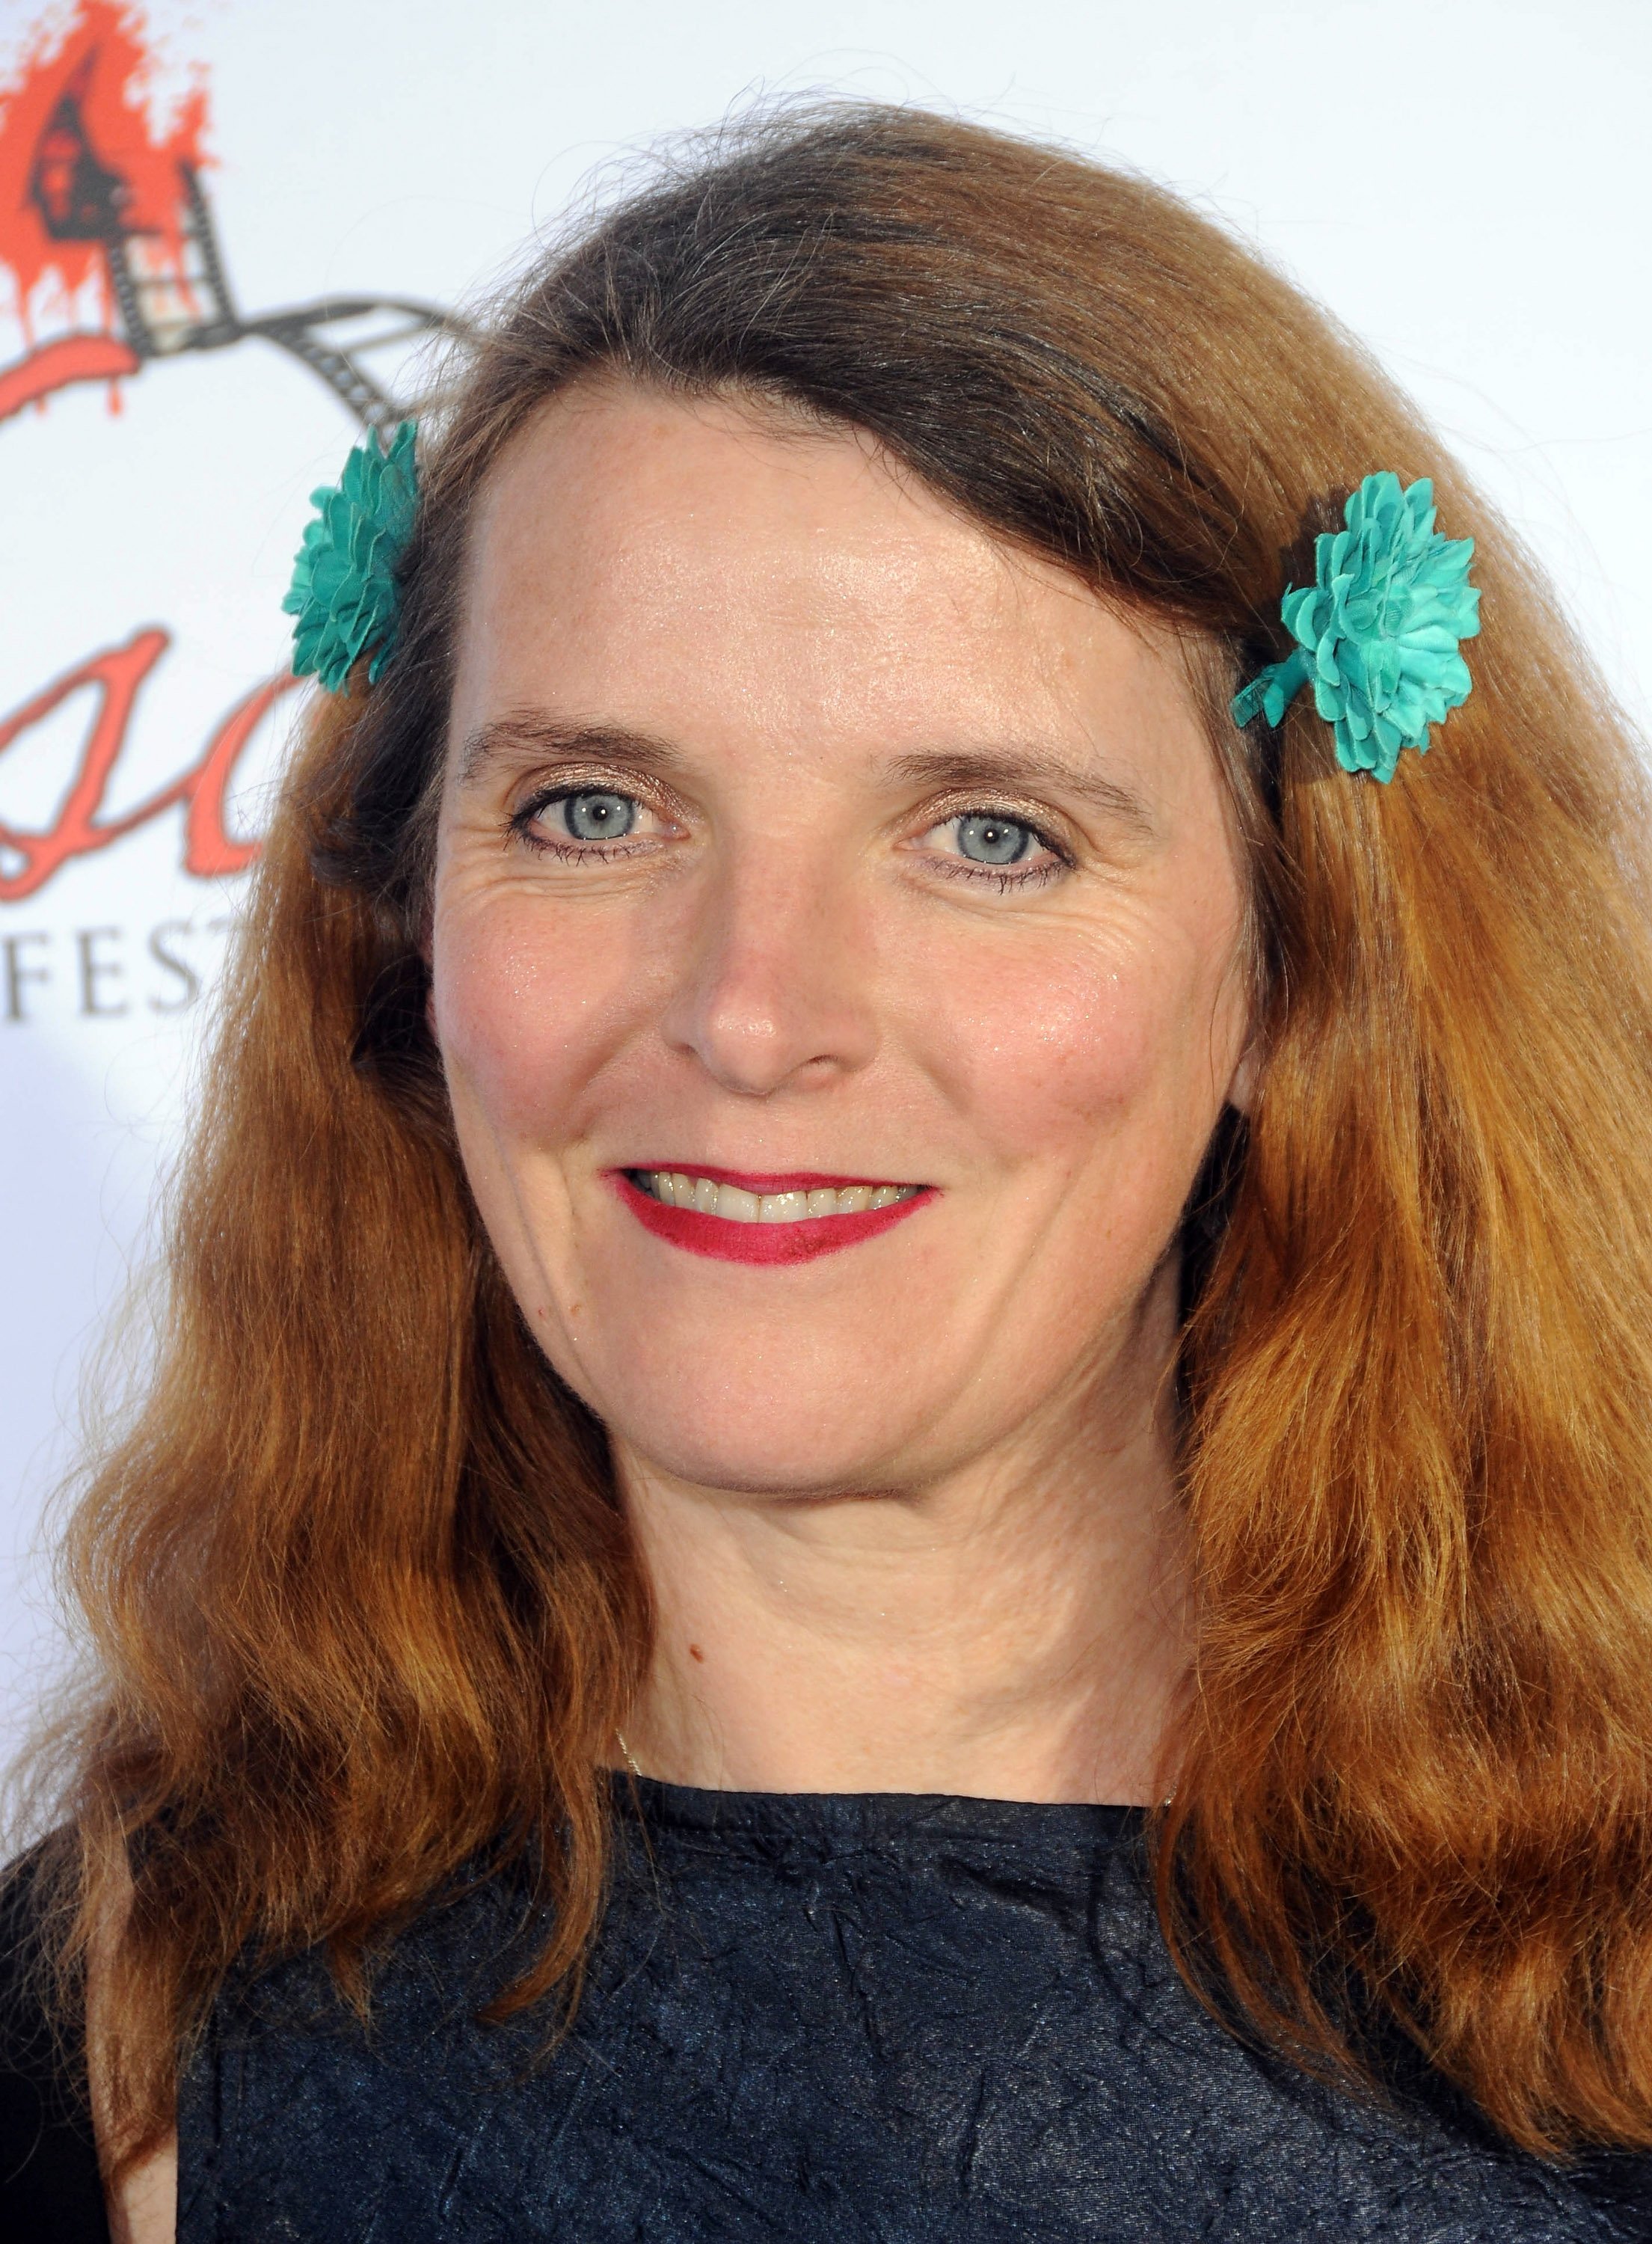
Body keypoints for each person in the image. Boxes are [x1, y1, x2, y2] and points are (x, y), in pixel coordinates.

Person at [4, 104, 1651, 2244]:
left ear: (1292, 977)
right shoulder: (126, 2018)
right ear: (406, 923)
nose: (753, 1014)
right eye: (596, 811)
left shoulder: (1602, 1989)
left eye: (989, 836)